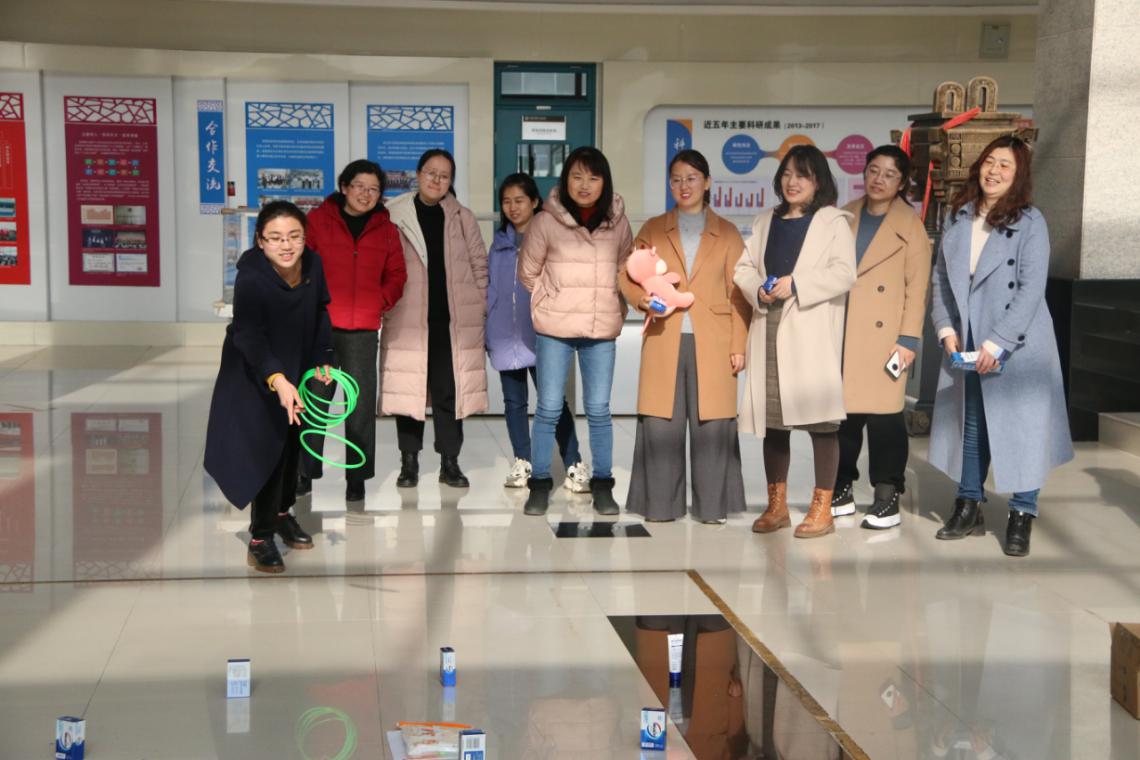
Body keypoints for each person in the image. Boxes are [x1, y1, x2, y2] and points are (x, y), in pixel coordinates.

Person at [929, 135, 1073, 557]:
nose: (994, 171)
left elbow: (1030, 289)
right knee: (971, 423)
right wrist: (945, 328)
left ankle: (1022, 512)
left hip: (1018, 340)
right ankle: (968, 503)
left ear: (1018, 175)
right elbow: (941, 279)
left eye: (1004, 165)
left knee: (1023, 427)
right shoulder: (958, 216)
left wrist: (999, 342)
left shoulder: (1030, 222)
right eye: (989, 161)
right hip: (967, 335)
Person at [619, 149, 750, 523]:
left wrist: (739, 345)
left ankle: (713, 507)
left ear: (707, 183)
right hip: (665, 336)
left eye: (691, 178)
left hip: (715, 339)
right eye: (676, 179)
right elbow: (626, 275)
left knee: (713, 424)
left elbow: (739, 293)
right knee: (661, 423)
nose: (684, 186)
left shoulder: (727, 232)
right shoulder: (653, 228)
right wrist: (641, 300)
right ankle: (660, 505)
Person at [204, 201, 334, 573]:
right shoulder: (251, 277)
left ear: (305, 238)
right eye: (275, 238)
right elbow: (250, 335)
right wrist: (277, 379)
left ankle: (280, 514)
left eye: (294, 236)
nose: (286, 245)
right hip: (255, 372)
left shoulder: (313, 265)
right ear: (260, 241)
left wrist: (323, 357)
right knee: (267, 452)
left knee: (294, 446)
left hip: (297, 366)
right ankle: (260, 538)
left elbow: (320, 313)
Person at [734, 144, 856, 539]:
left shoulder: (833, 222)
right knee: (774, 423)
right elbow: (743, 268)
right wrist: (758, 289)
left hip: (810, 330)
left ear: (818, 181)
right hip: (769, 325)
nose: (792, 182)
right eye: (786, 173)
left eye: (802, 175)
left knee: (821, 422)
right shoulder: (765, 220)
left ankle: (822, 509)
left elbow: (845, 273)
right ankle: (778, 506)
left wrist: (798, 284)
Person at [518, 146, 633, 516]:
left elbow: (626, 268)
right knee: (549, 407)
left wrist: (618, 301)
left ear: (605, 182)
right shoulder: (545, 221)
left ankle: (602, 485)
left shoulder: (618, 223)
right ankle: (539, 483)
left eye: (593, 178)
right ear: (565, 179)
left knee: (599, 409)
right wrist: (550, 298)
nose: (585, 185)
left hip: (600, 329)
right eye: (577, 176)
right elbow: (528, 272)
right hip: (555, 328)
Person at [831, 145, 932, 529]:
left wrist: (908, 340)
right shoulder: (844, 216)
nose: (879, 179)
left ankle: (887, 494)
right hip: (842, 332)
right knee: (843, 418)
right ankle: (840, 487)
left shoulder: (911, 227)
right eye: (874, 170)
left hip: (886, 338)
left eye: (890, 174)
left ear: (902, 182)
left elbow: (917, 289)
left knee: (885, 419)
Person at [297, 159, 407, 502]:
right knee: (315, 400)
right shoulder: (318, 221)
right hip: (321, 328)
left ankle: (357, 477)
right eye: (359, 186)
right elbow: (302, 266)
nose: (366, 194)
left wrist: (379, 301)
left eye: (374, 189)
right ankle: (305, 472)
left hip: (362, 330)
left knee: (359, 405)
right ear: (344, 186)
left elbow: (397, 274)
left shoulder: (387, 230)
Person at [379, 149, 488, 488]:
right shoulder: (394, 214)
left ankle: (449, 462)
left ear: (451, 181)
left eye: (444, 176)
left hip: (452, 322)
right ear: (418, 174)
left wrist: (479, 303)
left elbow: (479, 264)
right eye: (431, 173)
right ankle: (409, 463)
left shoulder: (462, 217)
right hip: (408, 319)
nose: (437, 180)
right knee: (408, 390)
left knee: (448, 392)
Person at [487, 173, 588, 490]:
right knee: (513, 402)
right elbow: (491, 290)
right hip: (505, 335)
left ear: (534, 202)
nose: (512, 207)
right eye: (506, 201)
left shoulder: (549, 238)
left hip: (543, 334)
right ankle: (523, 461)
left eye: (519, 200)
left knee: (553, 402)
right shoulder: (498, 245)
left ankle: (573, 462)